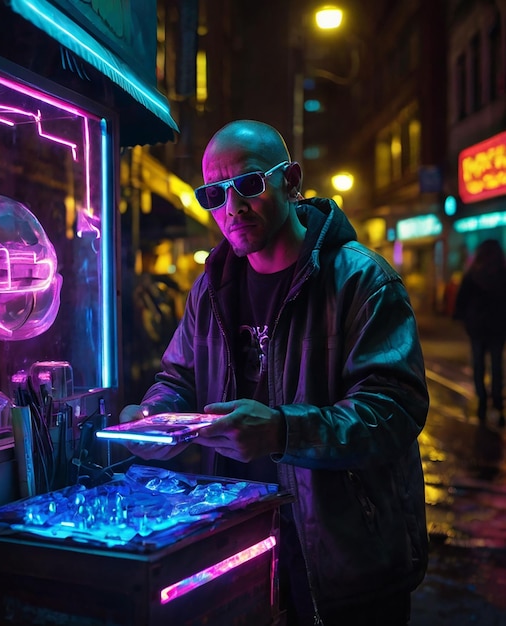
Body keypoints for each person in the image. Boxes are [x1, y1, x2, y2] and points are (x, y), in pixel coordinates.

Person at [119, 120, 429, 625]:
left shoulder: (361, 280)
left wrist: (282, 431)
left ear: (291, 180)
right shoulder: (211, 286)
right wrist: (153, 417)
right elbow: (178, 378)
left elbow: (394, 410)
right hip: (239, 545)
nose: (232, 207)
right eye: (213, 194)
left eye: (248, 184)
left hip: (344, 558)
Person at [453, 239, 506, 428]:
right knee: (497, 365)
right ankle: (498, 403)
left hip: (477, 327)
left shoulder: (473, 273)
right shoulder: (502, 272)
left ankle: (482, 401)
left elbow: (461, 301)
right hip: (499, 327)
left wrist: (462, 318)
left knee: (478, 364)